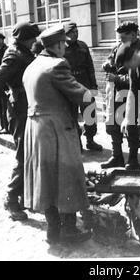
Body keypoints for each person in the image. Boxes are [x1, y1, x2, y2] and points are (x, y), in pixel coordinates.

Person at [23, 25, 93, 244]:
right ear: (59, 44)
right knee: (68, 177)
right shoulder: (57, 65)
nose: (65, 48)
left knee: (46, 180)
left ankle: (53, 231)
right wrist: (90, 114)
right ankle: (70, 231)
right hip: (57, 128)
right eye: (64, 44)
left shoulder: (32, 66)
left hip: (35, 129)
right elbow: (83, 96)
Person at [0, 21, 40, 221]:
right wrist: (9, 98)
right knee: (24, 155)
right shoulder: (14, 55)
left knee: (29, 154)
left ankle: (22, 197)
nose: (35, 40)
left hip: (25, 108)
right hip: (19, 111)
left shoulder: (21, 51)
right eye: (32, 37)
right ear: (26, 38)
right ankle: (11, 199)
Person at [101, 21, 140, 170]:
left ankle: (133, 160)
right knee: (113, 124)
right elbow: (111, 57)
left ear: (133, 35)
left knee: (130, 126)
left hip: (131, 94)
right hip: (116, 92)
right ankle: (117, 156)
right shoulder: (120, 46)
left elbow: (137, 80)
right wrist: (107, 63)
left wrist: (117, 78)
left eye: (123, 38)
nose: (120, 41)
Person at [64, 22, 102, 151]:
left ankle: (90, 140)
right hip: (70, 85)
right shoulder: (61, 48)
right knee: (72, 116)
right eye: (72, 32)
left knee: (90, 114)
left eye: (76, 31)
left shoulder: (83, 45)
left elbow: (90, 66)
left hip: (85, 83)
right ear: (66, 34)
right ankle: (77, 142)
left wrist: (94, 85)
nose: (75, 34)